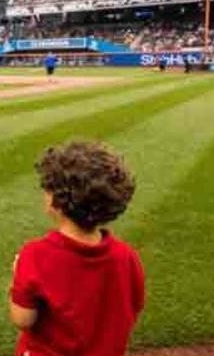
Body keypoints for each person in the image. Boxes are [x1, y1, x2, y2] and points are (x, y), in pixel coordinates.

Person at [9, 141, 145, 356]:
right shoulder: (127, 256)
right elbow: (132, 308)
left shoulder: (35, 255)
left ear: (56, 201)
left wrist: (18, 276)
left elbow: (22, 319)